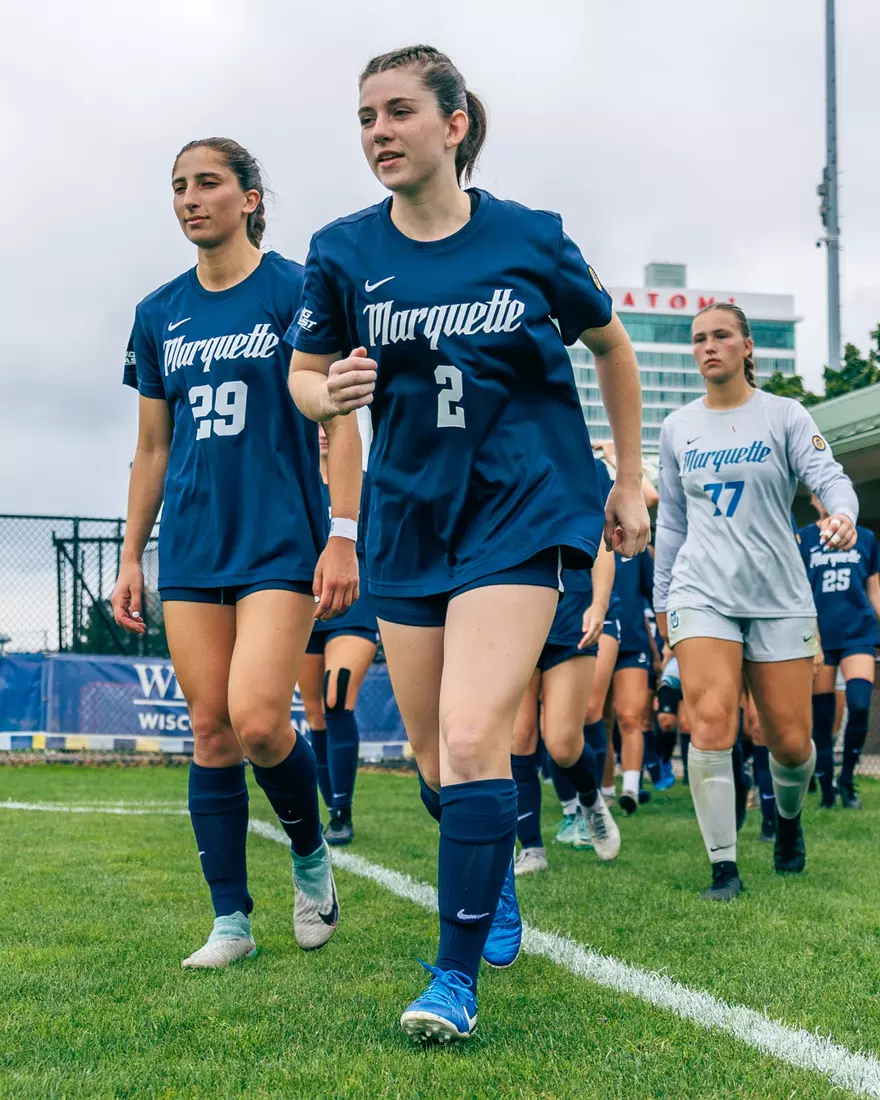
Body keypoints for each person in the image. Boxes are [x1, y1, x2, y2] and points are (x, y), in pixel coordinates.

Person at [288, 45, 649, 1043]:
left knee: (469, 733)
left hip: (522, 506)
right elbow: (305, 376)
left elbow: (611, 345)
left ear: (453, 126)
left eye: (399, 111)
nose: (378, 131)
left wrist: (626, 478)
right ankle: (494, 880)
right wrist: (328, 394)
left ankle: (451, 980)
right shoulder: (341, 251)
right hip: (410, 515)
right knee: (438, 766)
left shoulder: (531, 236)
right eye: (366, 117)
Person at [113, 137, 363, 967]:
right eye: (179, 186)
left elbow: (340, 420)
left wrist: (342, 532)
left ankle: (311, 857)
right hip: (192, 544)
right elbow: (153, 448)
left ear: (250, 198)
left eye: (208, 183)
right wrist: (131, 557)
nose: (190, 198)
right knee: (211, 730)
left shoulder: (297, 289)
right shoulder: (158, 312)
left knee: (259, 720)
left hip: (280, 541)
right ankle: (231, 922)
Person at [654, 302, 858, 902]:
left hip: (779, 594)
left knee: (790, 741)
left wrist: (843, 513)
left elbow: (830, 477)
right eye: (699, 339)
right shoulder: (677, 427)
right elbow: (672, 522)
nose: (708, 347)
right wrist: (663, 599)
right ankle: (724, 867)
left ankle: (788, 823)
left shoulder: (784, 414)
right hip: (701, 592)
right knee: (711, 719)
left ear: (747, 347)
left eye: (721, 336)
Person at [510, 518, 621, 874]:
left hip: (571, 615)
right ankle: (531, 848)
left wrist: (599, 605)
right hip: (514, 614)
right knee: (519, 737)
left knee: (561, 742)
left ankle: (591, 800)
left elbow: (602, 543)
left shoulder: (576, 482)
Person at [298, 419, 379, 844]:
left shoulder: (367, 483)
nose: (322, 430)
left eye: (328, 422)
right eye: (313, 421)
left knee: (336, 699)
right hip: (305, 606)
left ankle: (343, 811)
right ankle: (331, 810)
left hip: (355, 604)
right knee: (315, 714)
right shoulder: (297, 481)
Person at [799, 494, 880, 809]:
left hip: (858, 632)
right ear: (813, 500)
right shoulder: (804, 538)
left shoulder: (866, 538)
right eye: (820, 494)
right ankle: (825, 787)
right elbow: (799, 591)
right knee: (822, 717)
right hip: (820, 636)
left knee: (859, 705)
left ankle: (847, 778)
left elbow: (874, 591)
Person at [608, 549, 655, 813]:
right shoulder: (583, 536)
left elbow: (653, 591)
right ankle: (604, 792)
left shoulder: (636, 548)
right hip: (594, 638)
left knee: (630, 717)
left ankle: (630, 789)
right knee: (599, 720)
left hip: (632, 641)